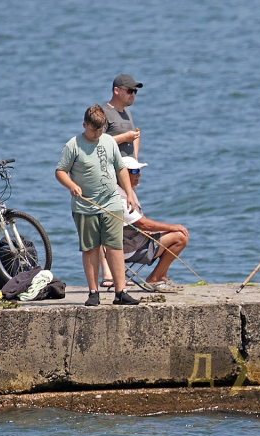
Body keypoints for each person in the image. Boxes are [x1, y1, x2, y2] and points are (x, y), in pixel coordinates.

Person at [55, 104, 139, 306]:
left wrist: (129, 193)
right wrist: (72, 185)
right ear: (85, 125)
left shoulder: (109, 141)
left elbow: (120, 168)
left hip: (111, 203)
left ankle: (121, 292)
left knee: (115, 246)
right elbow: (60, 171)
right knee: (91, 248)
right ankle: (93, 292)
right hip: (85, 207)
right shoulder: (73, 145)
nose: (97, 133)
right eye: (94, 129)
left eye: (101, 129)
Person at [119, 156, 189, 293]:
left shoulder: (127, 191)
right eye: (133, 171)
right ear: (121, 173)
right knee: (180, 237)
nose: (138, 174)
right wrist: (172, 227)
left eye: (138, 171)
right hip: (130, 249)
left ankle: (161, 276)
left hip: (132, 242)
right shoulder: (121, 197)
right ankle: (156, 278)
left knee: (171, 233)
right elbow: (143, 224)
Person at [99, 74, 143, 286]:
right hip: (107, 177)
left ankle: (118, 273)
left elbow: (132, 140)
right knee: (105, 225)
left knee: (121, 224)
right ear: (117, 90)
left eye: (135, 91)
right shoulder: (104, 112)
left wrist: (135, 162)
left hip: (125, 176)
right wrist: (123, 138)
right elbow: (97, 142)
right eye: (130, 90)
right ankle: (107, 275)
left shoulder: (127, 114)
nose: (133, 95)